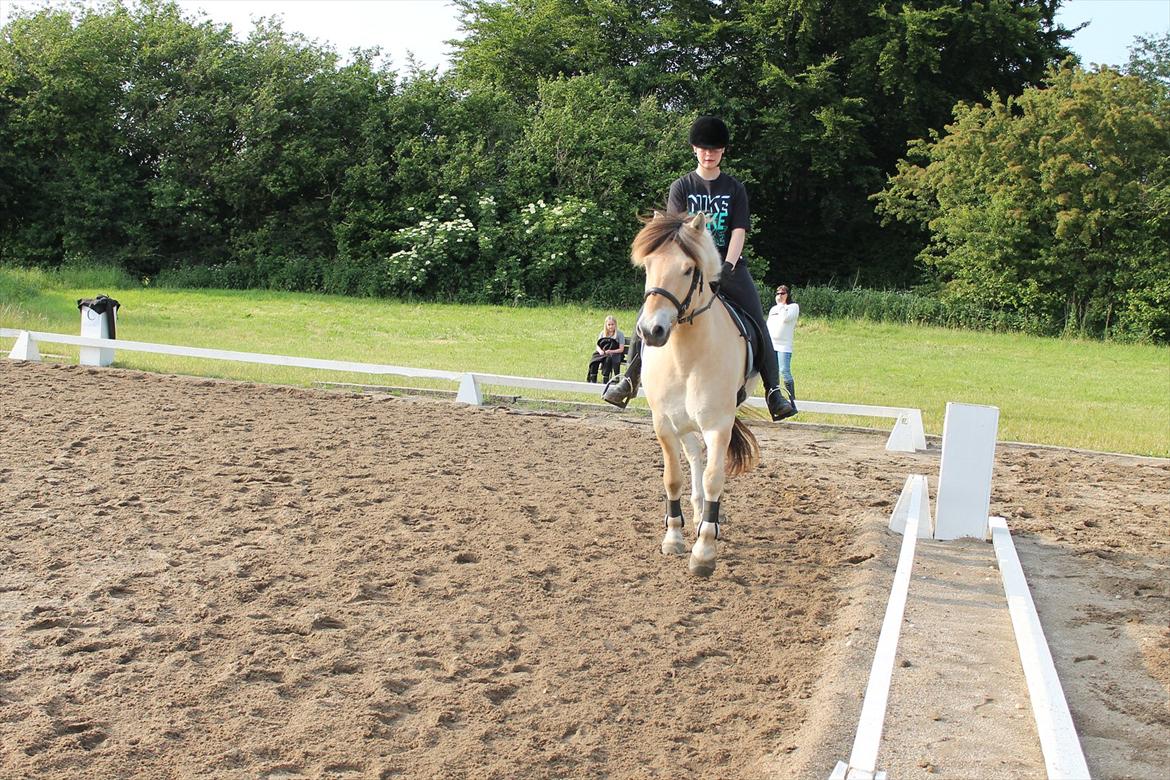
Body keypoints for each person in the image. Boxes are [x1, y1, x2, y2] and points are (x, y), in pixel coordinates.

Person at [603, 115, 796, 421]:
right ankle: (629, 379)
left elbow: (738, 231)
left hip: (726, 265)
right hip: (687, 267)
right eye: (705, 149)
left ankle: (774, 392)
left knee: (758, 320)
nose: (709, 154)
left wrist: (729, 265)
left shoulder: (735, 188)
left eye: (716, 149)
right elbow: (674, 234)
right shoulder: (681, 187)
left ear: (722, 152)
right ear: (695, 149)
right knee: (648, 312)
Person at [767, 285, 799, 416]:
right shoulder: (774, 309)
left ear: (788, 294)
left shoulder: (793, 307)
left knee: (784, 371)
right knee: (772, 373)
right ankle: (777, 398)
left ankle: (792, 397)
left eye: (783, 293)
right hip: (772, 344)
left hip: (784, 346)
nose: (780, 295)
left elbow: (786, 318)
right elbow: (769, 325)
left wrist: (781, 305)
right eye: (778, 293)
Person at [587, 315, 626, 383]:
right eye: (609, 325)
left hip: (615, 353)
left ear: (615, 325)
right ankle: (593, 379)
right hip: (603, 352)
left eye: (612, 324)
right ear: (606, 325)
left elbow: (621, 349)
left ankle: (606, 379)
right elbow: (598, 345)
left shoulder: (620, 334)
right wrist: (600, 351)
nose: (611, 326)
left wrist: (611, 351)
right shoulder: (602, 333)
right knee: (594, 360)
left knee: (608, 360)